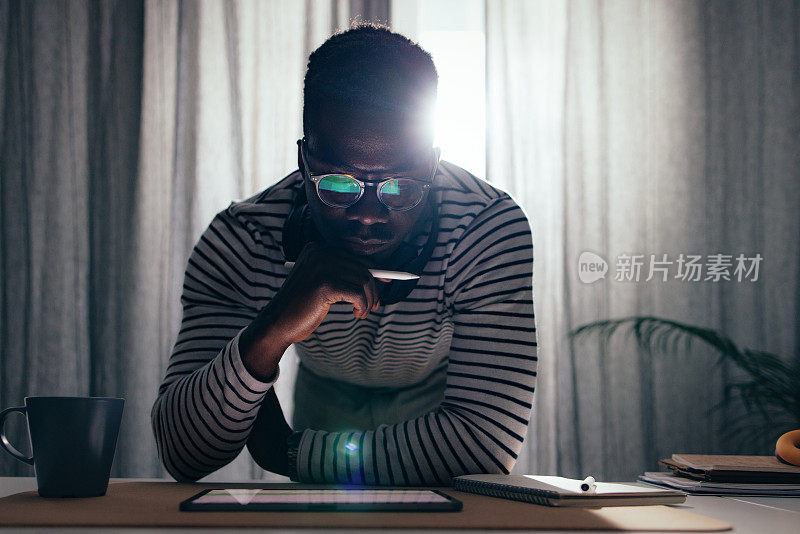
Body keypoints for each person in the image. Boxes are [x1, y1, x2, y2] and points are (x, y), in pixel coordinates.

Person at [151, 23, 537, 485]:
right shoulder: (244, 238)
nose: (369, 214)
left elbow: (482, 443)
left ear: (433, 164)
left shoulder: (484, 227)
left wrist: (289, 452)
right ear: (304, 160)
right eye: (338, 183)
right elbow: (181, 452)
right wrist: (268, 334)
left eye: (400, 186)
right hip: (326, 399)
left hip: (433, 397)